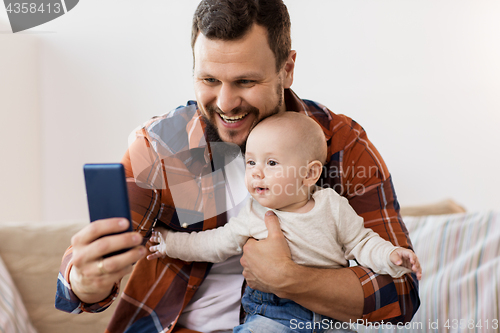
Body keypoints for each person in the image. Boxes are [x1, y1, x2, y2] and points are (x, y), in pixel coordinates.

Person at [55, 1, 421, 332]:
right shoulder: (166, 146)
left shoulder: (338, 143)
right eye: (209, 80)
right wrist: (85, 279)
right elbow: (85, 278)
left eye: (246, 81)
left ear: (287, 69)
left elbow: (400, 294)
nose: (226, 103)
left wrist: (288, 278)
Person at [146, 112, 422, 333]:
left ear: (310, 173)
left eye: (272, 163)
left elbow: (362, 243)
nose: (257, 173)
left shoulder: (332, 206)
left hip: (332, 318)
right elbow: (212, 244)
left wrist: (391, 256)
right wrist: (170, 243)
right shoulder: (253, 215)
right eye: (251, 162)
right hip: (275, 316)